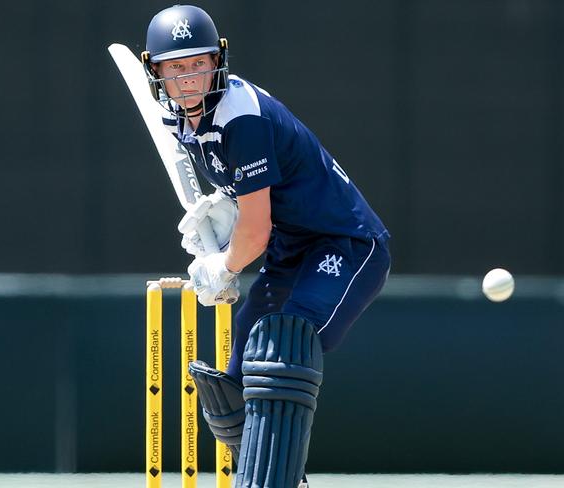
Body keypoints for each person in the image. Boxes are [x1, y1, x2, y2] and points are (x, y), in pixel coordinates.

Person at [142, 5, 391, 488]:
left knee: (283, 345)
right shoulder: (181, 121)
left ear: (218, 61)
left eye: (198, 63)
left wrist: (223, 265)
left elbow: (254, 233)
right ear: (158, 71)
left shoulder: (242, 118)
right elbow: (252, 206)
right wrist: (220, 217)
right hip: (290, 248)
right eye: (176, 67)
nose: (189, 77)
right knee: (233, 389)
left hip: (347, 244)